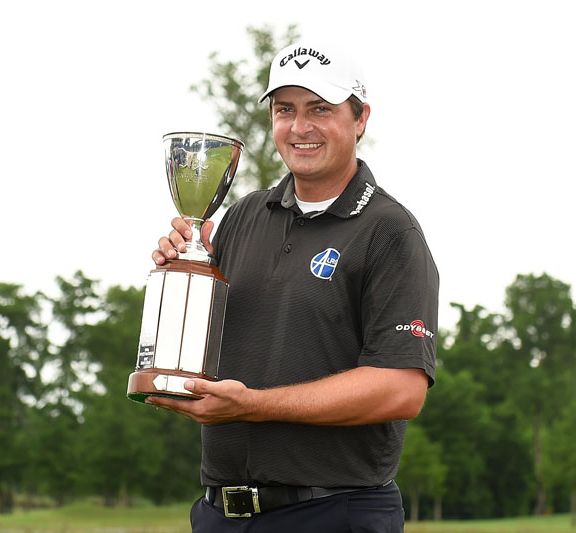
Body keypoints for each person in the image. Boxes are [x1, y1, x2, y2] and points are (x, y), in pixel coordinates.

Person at [149, 41, 439, 532]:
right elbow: (208, 344)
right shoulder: (241, 216)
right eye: (285, 110)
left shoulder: (390, 232)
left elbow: (400, 389)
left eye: (320, 109)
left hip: (332, 513)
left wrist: (254, 406)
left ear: (360, 118)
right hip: (220, 513)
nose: (300, 128)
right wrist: (181, 269)